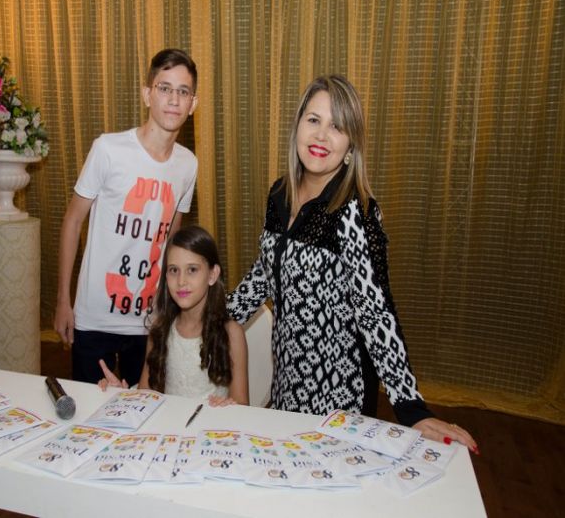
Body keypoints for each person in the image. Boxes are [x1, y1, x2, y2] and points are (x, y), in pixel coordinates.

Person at [227, 74, 478, 452]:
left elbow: (376, 312)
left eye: (337, 126)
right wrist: (215, 315)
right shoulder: (279, 194)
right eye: (314, 120)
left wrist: (411, 408)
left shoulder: (356, 212)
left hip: (338, 397)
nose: (322, 135)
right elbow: (267, 269)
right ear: (297, 126)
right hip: (286, 383)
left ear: (350, 146)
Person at [54, 49, 199, 386]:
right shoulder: (108, 149)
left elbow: (171, 240)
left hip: (148, 321)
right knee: (90, 409)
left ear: (193, 103)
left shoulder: (188, 164)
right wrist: (63, 300)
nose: (173, 100)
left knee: (145, 409)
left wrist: (168, 309)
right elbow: (72, 221)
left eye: (183, 91)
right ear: (147, 94)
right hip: (94, 318)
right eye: (164, 88)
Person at [99, 225, 249, 407]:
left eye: (192, 269)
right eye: (173, 270)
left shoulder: (231, 333)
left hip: (211, 424)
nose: (181, 281)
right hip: (169, 424)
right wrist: (123, 395)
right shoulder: (160, 330)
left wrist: (229, 406)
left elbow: (242, 404)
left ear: (212, 274)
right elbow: (146, 393)